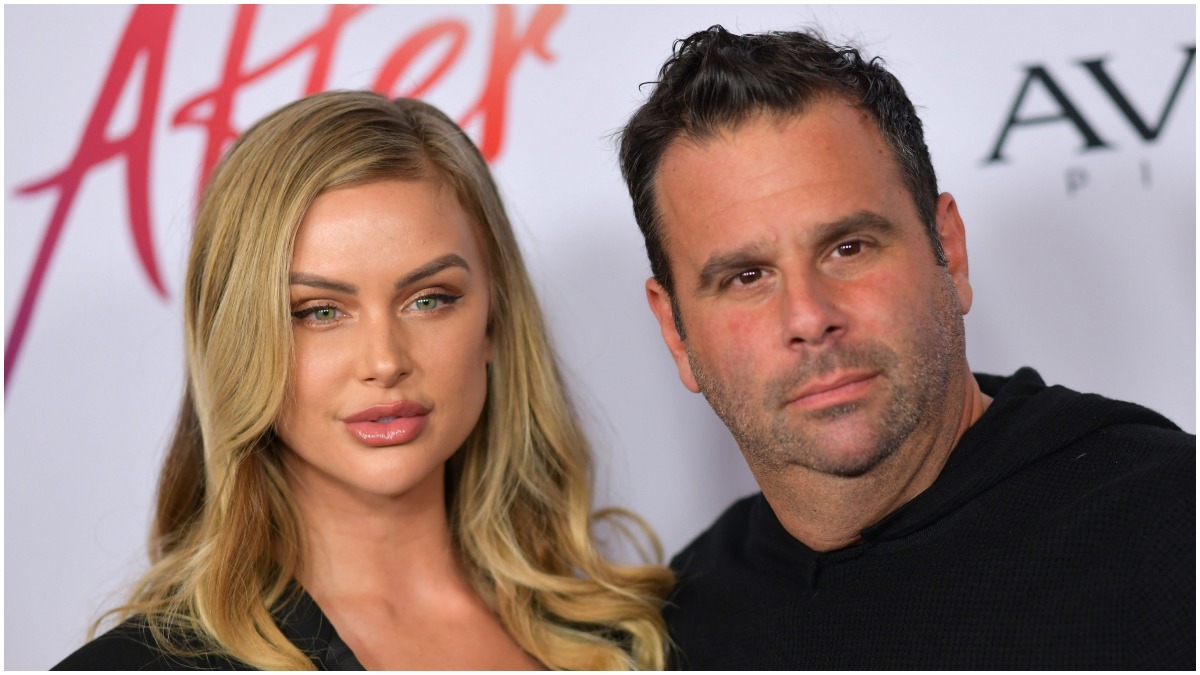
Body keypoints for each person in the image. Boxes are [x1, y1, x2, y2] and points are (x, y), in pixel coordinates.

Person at [617, 25, 1194, 670]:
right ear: (675, 331)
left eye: (848, 248)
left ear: (950, 250)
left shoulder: (1172, 524)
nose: (809, 317)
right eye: (746, 277)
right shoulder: (673, 632)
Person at [55, 90, 672, 670]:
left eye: (429, 299)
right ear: (238, 341)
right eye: (319, 312)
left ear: (494, 320)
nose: (384, 360)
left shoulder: (632, 640)